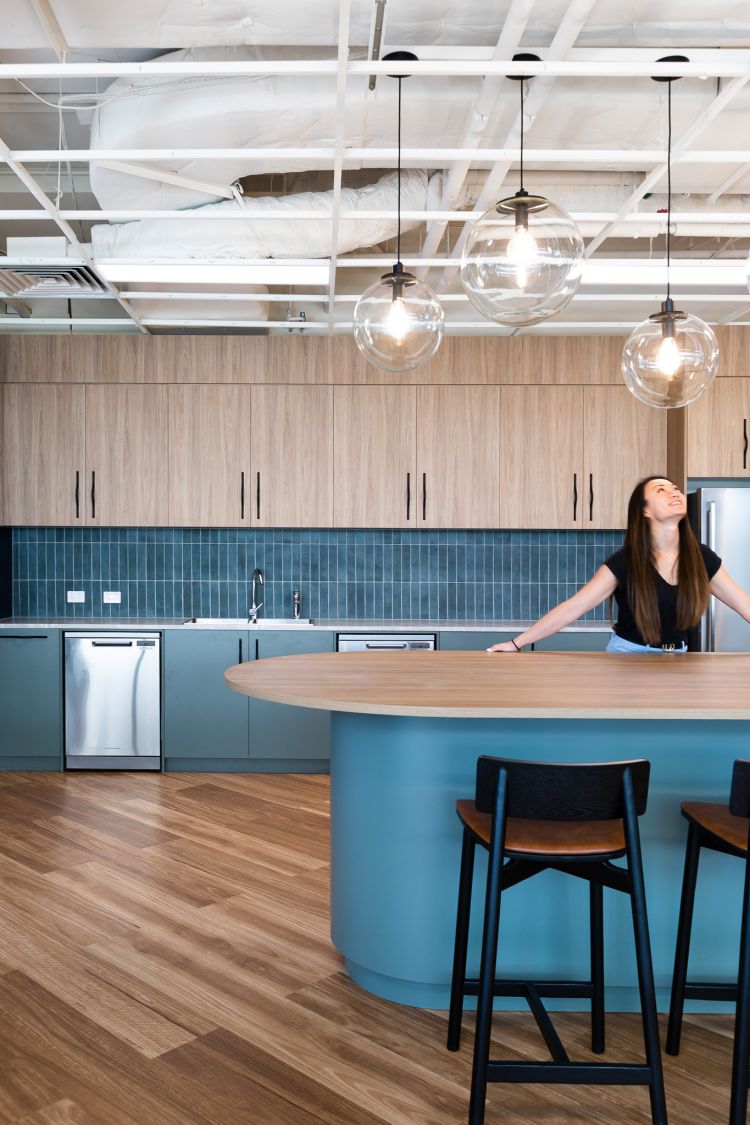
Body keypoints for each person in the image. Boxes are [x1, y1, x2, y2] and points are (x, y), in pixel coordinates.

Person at [488, 476, 750, 654]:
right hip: (627, 656)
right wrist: (516, 643)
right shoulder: (625, 562)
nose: (675, 493)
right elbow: (574, 607)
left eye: (676, 489)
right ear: (645, 511)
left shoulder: (701, 558)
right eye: (662, 490)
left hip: (678, 658)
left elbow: (744, 604)